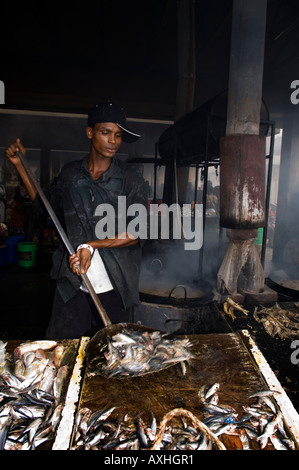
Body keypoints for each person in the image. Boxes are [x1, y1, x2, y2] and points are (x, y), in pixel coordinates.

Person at [5, 101, 149, 339]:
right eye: (106, 133)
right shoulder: (71, 173)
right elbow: (45, 207)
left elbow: (137, 231)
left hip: (116, 288)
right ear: (90, 132)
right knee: (63, 350)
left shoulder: (129, 179)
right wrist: (21, 166)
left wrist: (90, 245)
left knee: (114, 355)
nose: (113, 141)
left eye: (118, 135)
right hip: (73, 284)